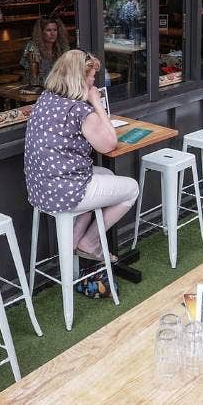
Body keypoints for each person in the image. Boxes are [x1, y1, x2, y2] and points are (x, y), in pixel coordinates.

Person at [24, 50, 138, 260]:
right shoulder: (79, 110)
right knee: (132, 188)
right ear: (80, 78)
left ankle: (72, 244)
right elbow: (109, 144)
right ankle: (89, 243)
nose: (94, 80)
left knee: (108, 177)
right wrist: (96, 102)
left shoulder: (46, 99)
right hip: (64, 191)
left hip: (40, 187)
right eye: (92, 76)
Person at [21, 18, 69, 85]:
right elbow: (34, 78)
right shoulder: (32, 46)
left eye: (55, 30)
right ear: (41, 32)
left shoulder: (61, 46)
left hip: (55, 85)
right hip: (37, 86)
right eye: (48, 30)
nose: (52, 34)